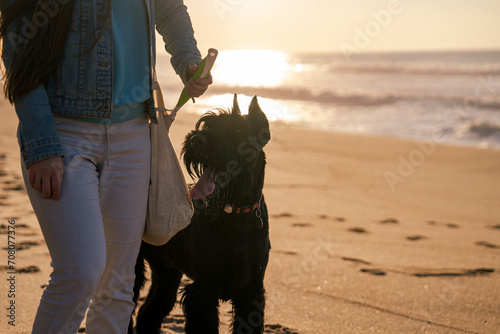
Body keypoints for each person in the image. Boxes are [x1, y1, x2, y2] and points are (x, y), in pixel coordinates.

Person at [0, 0, 212, 332]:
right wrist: (41, 144)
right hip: (63, 134)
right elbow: (17, 48)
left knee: (117, 285)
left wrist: (188, 60)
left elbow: (170, 10)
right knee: (79, 271)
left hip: (135, 134)